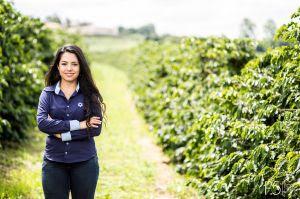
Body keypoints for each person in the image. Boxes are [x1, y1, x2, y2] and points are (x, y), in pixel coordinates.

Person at [36, 44, 106, 199]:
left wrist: (62, 134)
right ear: (57, 67)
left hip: (85, 162)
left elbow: (95, 129)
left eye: (74, 64)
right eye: (64, 64)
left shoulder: (90, 94)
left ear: (81, 67)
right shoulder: (47, 94)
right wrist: (80, 124)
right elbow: (42, 123)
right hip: (54, 162)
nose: (69, 68)